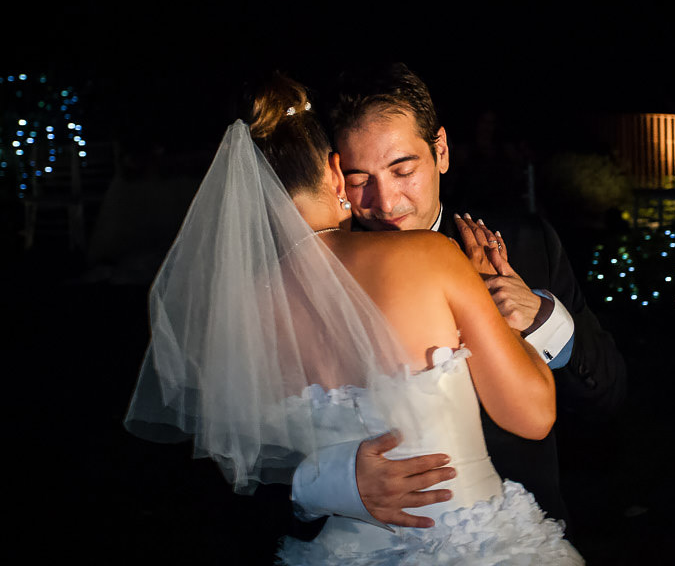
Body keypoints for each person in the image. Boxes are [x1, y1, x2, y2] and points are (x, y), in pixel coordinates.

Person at [125, 73, 583, 563]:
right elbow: (533, 415)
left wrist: (326, 478)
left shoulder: (244, 309)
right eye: (362, 178)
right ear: (335, 172)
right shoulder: (433, 256)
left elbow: (235, 452)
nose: (384, 202)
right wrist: (489, 303)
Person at [289, 63, 627, 540]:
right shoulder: (309, 279)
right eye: (360, 178)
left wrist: (543, 322)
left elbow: (607, 399)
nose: (386, 202)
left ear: (441, 151)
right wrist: (335, 479)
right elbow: (241, 439)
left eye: (403, 169)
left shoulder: (527, 244)